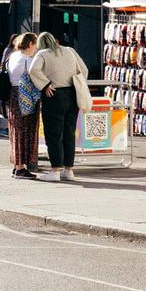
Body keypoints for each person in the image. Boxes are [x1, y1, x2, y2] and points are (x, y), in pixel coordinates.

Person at [29, 31, 90, 182]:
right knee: (69, 132)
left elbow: (33, 70)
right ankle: (69, 170)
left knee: (54, 133)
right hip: (72, 93)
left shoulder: (42, 54)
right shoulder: (70, 50)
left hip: (53, 94)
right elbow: (84, 70)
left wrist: (45, 84)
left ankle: (55, 170)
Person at [5, 33, 39, 179]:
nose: (36, 48)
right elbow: (37, 77)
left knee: (15, 129)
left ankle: (16, 165)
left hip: (13, 95)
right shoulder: (28, 60)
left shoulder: (13, 56)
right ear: (30, 44)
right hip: (25, 96)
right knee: (25, 130)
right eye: (35, 45)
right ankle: (20, 168)